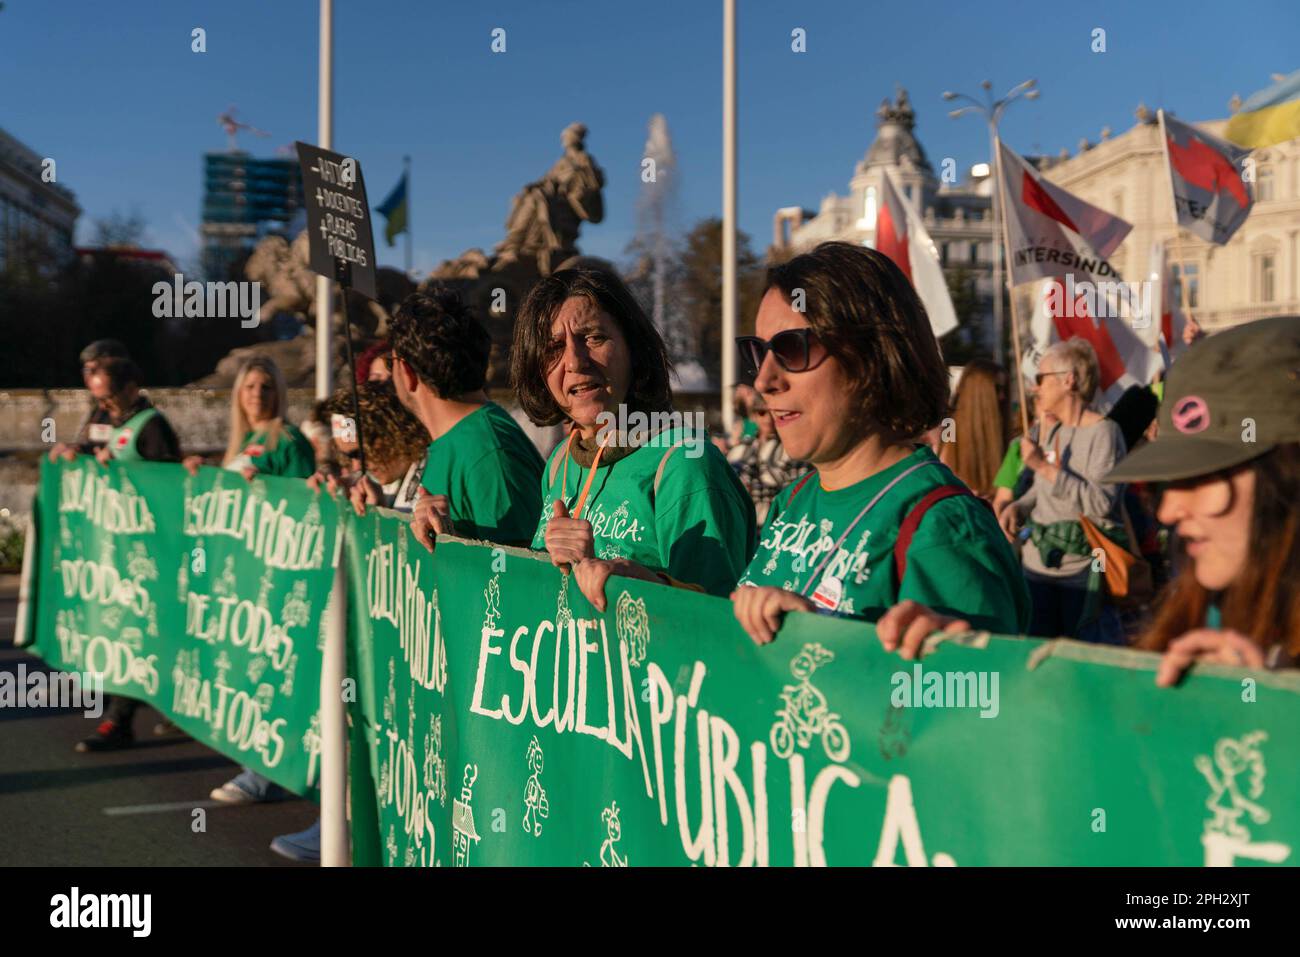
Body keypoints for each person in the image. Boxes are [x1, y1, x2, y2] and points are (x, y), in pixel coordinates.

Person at [730, 242, 1029, 645]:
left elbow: (981, 697)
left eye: (790, 348)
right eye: (758, 351)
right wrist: (651, 590)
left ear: (869, 357)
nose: (764, 380)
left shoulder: (942, 528)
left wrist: (828, 640)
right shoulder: (794, 499)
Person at [512, 266, 756, 609]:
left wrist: (644, 585)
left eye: (593, 338)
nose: (574, 362)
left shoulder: (685, 464)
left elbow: (718, 624)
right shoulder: (559, 461)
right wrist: (446, 537)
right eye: (553, 347)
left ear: (633, 348)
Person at [269, 380, 429, 864]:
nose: (353, 467)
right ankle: (343, 822)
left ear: (391, 435)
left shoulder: (429, 470)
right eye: (342, 458)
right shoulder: (377, 476)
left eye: (359, 453)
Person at [1102, 315, 1299, 685]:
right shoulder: (1202, 621)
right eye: (1167, 483)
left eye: (1201, 479)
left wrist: (1277, 719)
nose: (1168, 510)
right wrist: (965, 655)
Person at [183, 356, 315, 804]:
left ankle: (266, 771)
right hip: (239, 579)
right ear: (238, 395)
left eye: (266, 386)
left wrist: (267, 491)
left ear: (279, 394)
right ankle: (256, 764)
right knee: (243, 672)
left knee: (268, 674)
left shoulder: (288, 440)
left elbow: (304, 505)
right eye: (250, 386)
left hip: (272, 578)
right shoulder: (243, 442)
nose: (258, 394)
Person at [72, 357, 182, 752]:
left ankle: (120, 719)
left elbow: (167, 480)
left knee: (138, 632)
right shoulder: (111, 420)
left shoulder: (150, 425)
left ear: (132, 389)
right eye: (101, 398)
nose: (107, 405)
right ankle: (171, 704)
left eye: (113, 397)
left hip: (147, 551)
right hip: (118, 548)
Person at [388, 288, 545, 548]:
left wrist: (453, 545)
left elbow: (522, 577)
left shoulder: (489, 454)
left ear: (406, 372)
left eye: (388, 363)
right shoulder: (458, 442)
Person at [998, 338, 1128, 644]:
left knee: (1080, 662)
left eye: (1041, 378)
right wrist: (1021, 507)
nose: (1035, 387)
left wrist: (1043, 467)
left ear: (1068, 380)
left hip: (1082, 572)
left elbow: (1102, 503)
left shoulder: (1104, 433)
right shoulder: (1053, 430)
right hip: (1037, 567)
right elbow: (1043, 491)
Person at [726, 391, 810, 523]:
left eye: (773, 412)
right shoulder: (740, 451)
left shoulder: (792, 449)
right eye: (762, 412)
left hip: (780, 523)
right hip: (746, 524)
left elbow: (800, 494)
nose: (768, 419)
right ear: (754, 415)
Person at [940, 358, 1008, 500]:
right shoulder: (949, 424)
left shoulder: (1005, 426)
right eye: (997, 389)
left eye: (1004, 388)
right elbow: (943, 465)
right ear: (979, 392)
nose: (1003, 396)